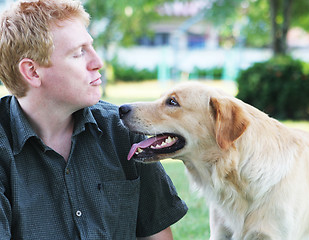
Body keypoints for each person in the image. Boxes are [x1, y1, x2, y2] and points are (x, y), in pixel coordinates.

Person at [0, 0, 187, 239]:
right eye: (79, 53)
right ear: (32, 72)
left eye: (92, 46)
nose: (97, 63)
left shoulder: (123, 130)